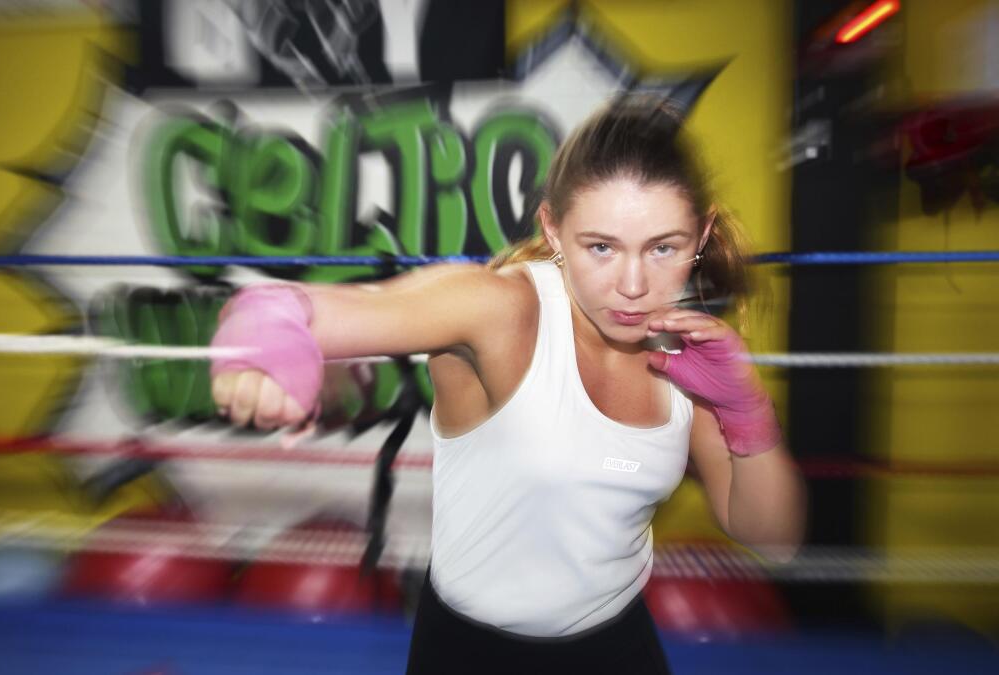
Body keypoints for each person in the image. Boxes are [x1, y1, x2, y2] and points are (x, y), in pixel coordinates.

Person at [209, 96, 806, 674]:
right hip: (469, 654)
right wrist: (265, 343)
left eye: (662, 248)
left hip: (618, 646)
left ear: (699, 238)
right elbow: (291, 306)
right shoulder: (501, 311)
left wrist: (748, 410)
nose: (631, 284)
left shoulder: (687, 355)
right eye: (600, 247)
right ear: (552, 229)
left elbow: (773, 538)